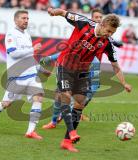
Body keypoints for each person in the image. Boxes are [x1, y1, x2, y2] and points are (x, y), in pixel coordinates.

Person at [47, 7, 132, 152]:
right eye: (109, 31)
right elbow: (64, 13)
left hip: (82, 71)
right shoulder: (83, 23)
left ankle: (67, 142)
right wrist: (54, 11)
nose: (109, 35)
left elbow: (115, 65)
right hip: (65, 65)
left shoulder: (107, 43)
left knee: (80, 103)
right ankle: (72, 133)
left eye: (113, 33)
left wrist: (123, 82)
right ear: (103, 24)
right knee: (66, 96)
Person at [0, 10, 45, 140]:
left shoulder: (27, 34)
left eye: (27, 18)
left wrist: (40, 68)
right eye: (23, 18)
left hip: (31, 75)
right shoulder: (11, 34)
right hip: (17, 77)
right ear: (16, 20)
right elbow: (13, 53)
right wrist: (33, 49)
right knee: (6, 103)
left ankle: (30, 131)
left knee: (38, 97)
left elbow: (28, 57)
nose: (26, 20)